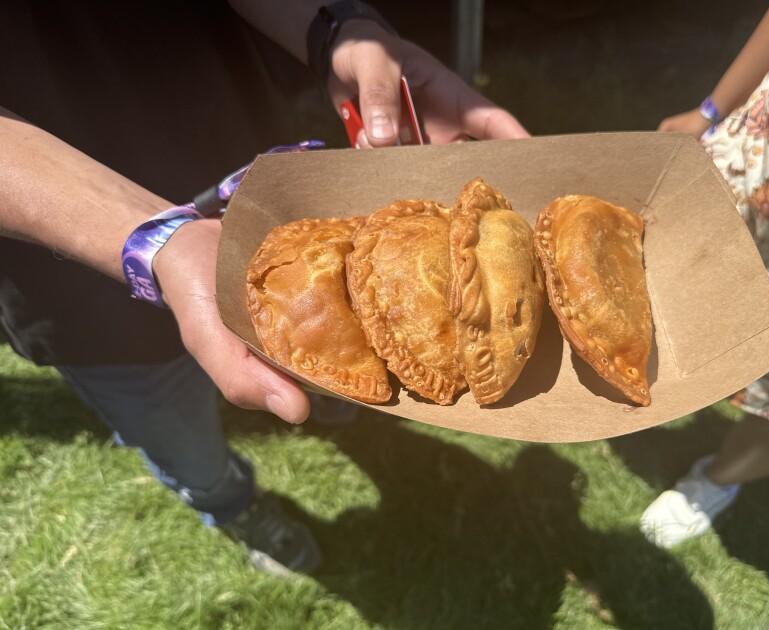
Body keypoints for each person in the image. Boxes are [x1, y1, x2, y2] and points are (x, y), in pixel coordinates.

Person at [0, 0, 528, 577]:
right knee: (178, 433)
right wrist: (156, 240)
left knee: (333, 321)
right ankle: (229, 504)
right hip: (78, 290)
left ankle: (331, 390)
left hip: (255, 180)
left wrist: (331, 27)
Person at [640, 0, 769, 548]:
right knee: (657, 271)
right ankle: (622, 383)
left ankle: (717, 478)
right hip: (760, 162)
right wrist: (709, 110)